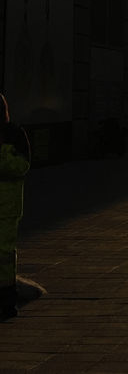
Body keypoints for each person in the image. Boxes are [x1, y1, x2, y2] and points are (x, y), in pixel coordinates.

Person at [0, 94, 31, 320]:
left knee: (4, 255)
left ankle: (6, 301)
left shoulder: (14, 134)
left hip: (7, 209)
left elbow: (22, 166)